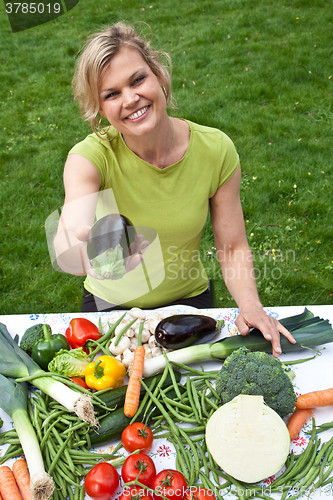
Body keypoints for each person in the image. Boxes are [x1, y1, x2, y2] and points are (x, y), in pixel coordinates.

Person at [53, 21, 295, 357]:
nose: (131, 98)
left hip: (188, 309)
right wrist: (85, 252)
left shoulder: (215, 150)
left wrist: (251, 305)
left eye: (138, 79)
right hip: (111, 311)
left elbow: (233, 245)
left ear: (159, 76)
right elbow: (70, 232)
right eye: (112, 94)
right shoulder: (91, 156)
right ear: (101, 109)